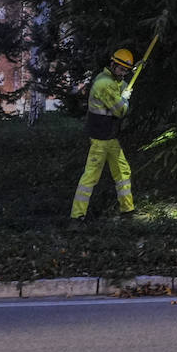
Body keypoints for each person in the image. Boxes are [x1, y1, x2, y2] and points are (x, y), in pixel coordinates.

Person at [70, 48, 136, 223]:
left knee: (123, 171)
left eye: (126, 71)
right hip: (100, 138)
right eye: (121, 69)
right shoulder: (104, 84)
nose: (123, 73)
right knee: (90, 176)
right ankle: (77, 216)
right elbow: (120, 110)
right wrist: (126, 100)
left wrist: (126, 87)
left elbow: (119, 86)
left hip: (109, 137)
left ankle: (127, 210)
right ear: (113, 65)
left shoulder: (109, 79)